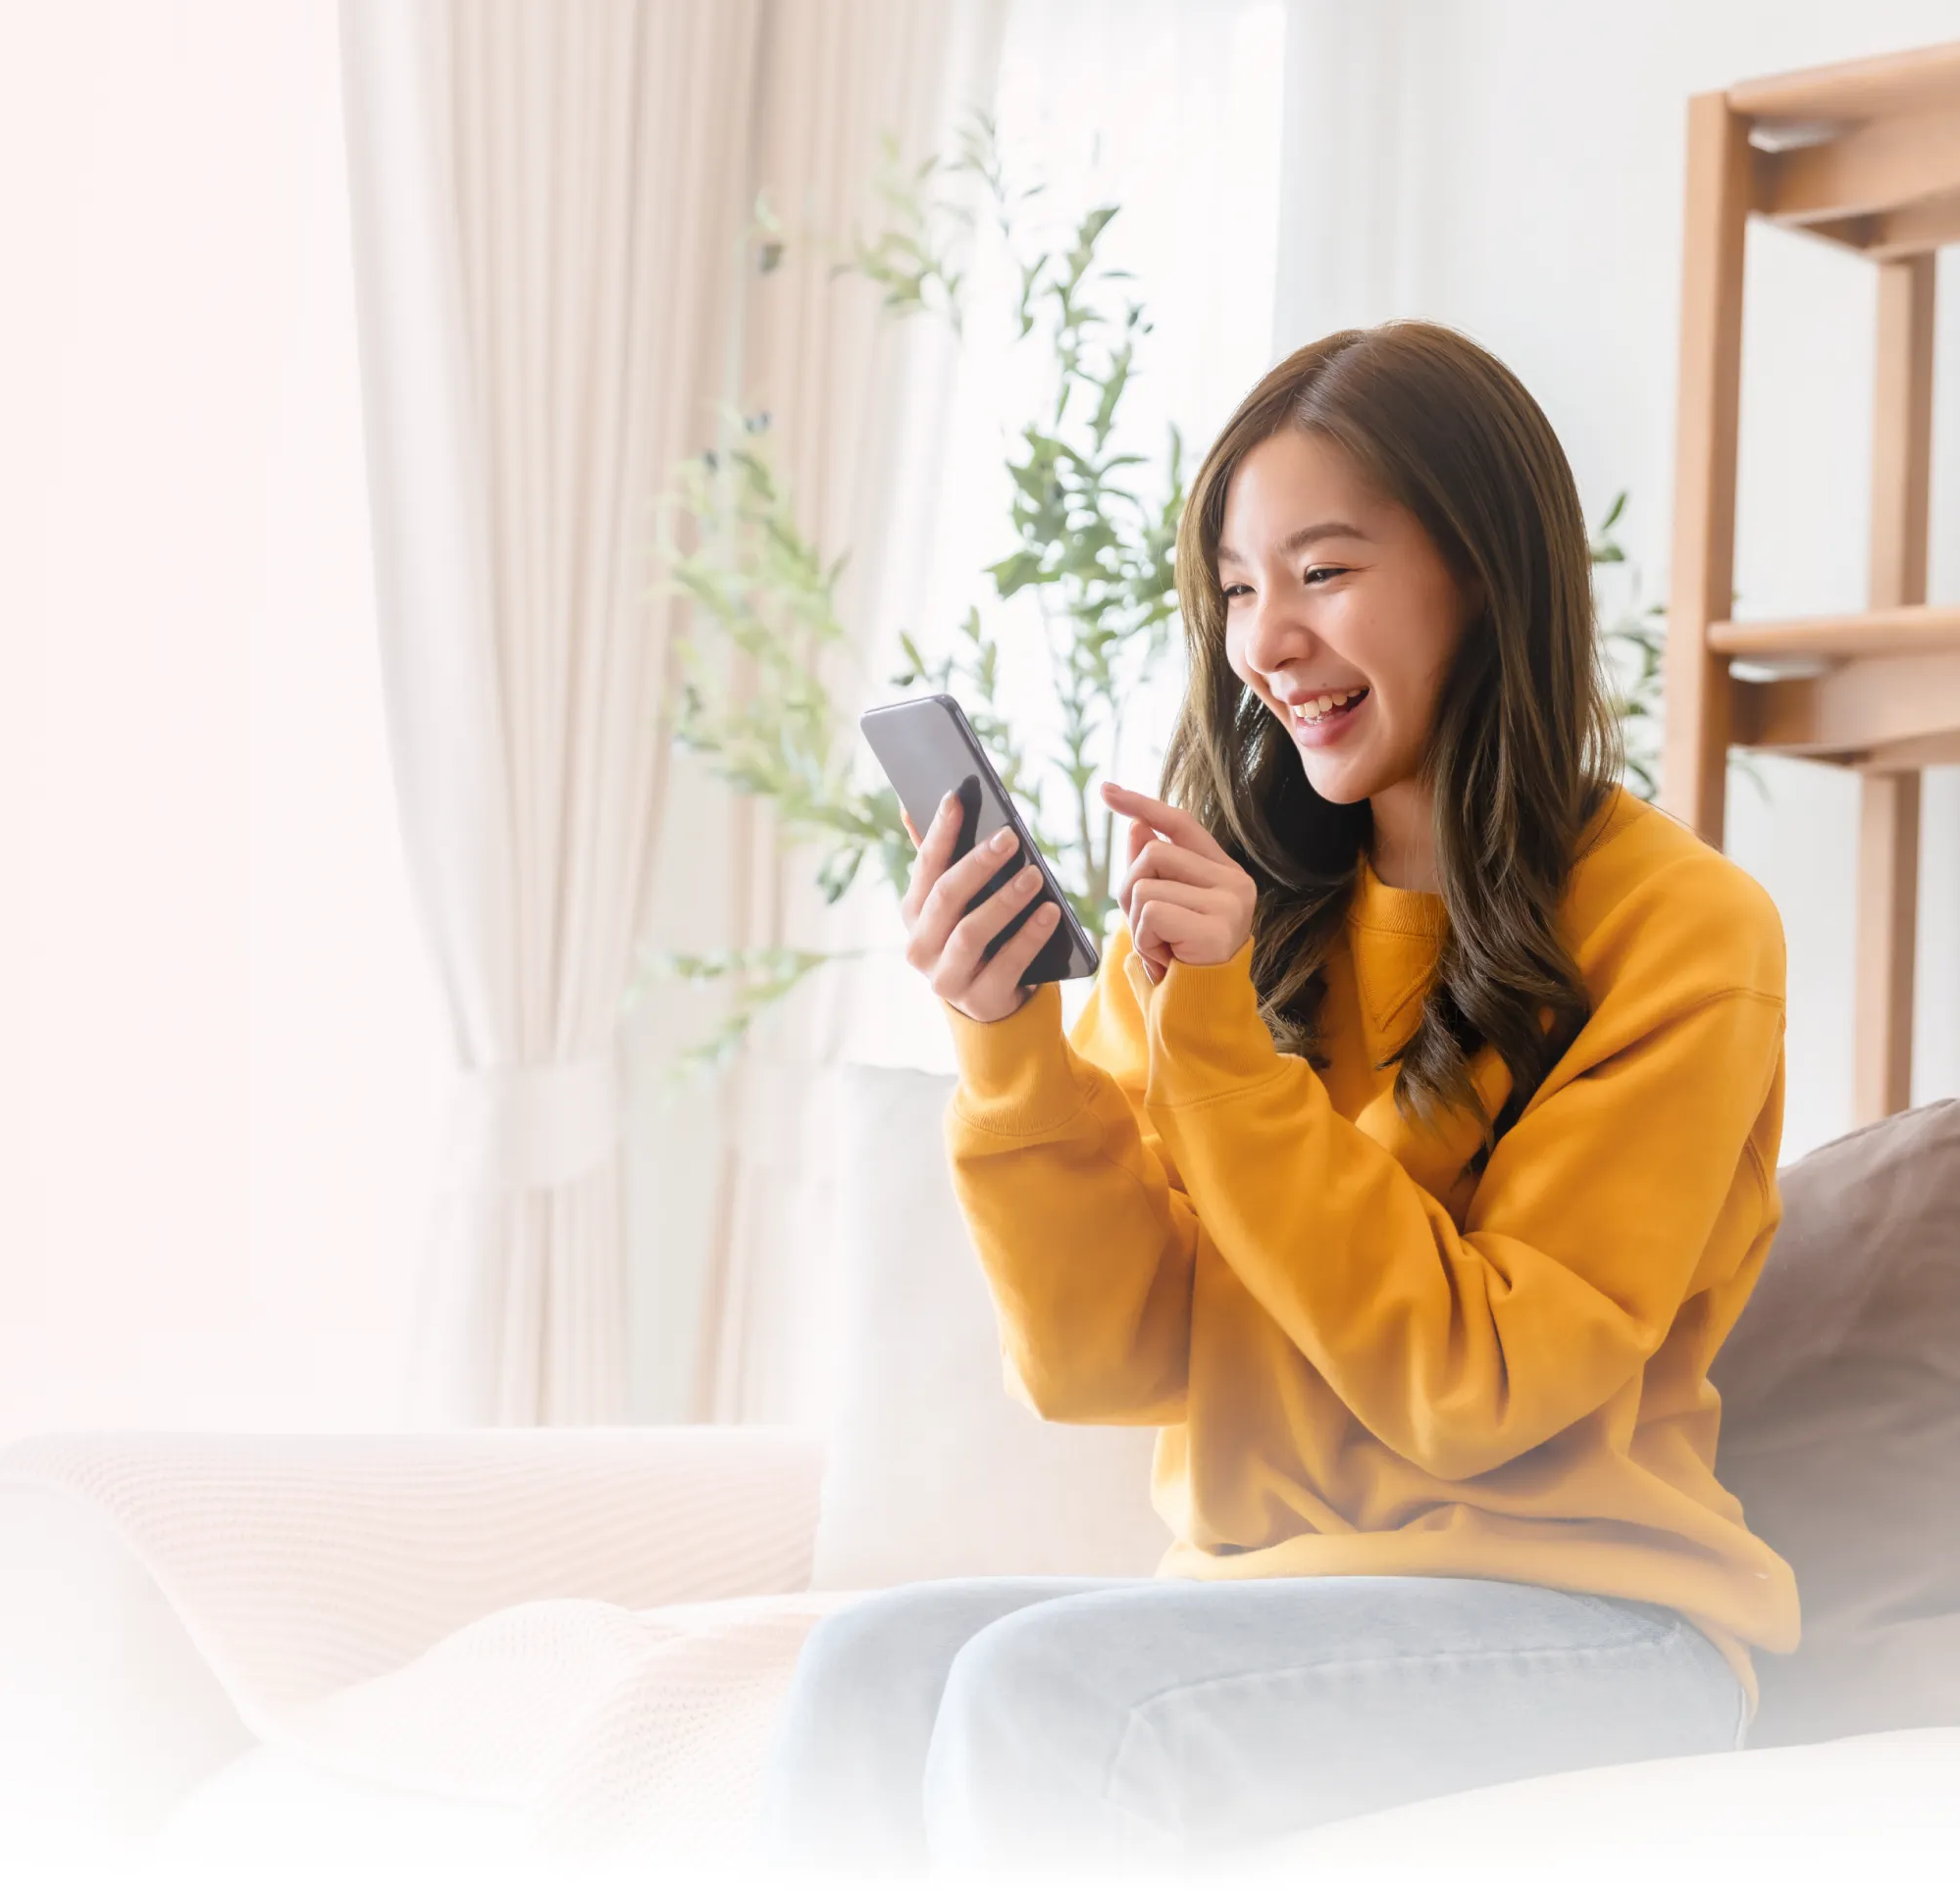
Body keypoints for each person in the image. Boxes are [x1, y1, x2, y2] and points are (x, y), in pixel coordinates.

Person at [756, 321, 1797, 1874]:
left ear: (1483, 570)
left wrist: (1228, 1054)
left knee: (1047, 1697)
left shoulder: (1679, 927)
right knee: (866, 1667)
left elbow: (1486, 1387)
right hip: (1260, 1600)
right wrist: (1010, 1040)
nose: (1266, 642)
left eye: (1323, 572)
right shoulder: (1225, 928)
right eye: (1240, 589)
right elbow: (1109, 1357)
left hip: (1592, 1622)